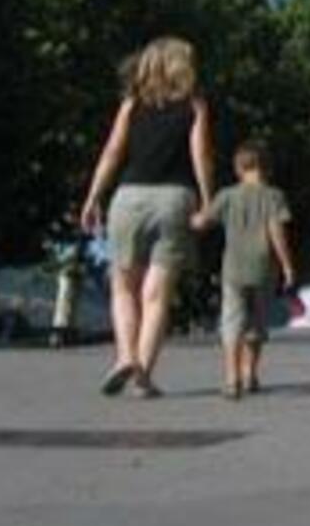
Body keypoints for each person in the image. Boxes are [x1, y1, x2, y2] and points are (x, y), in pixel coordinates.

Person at [79, 35, 214, 398]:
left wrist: (94, 196)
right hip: (174, 199)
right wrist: (207, 198)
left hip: (129, 197)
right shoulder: (194, 105)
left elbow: (111, 152)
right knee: (156, 294)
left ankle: (125, 355)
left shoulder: (131, 104)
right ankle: (143, 373)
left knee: (123, 286)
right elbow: (200, 154)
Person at [194, 141, 297, 400]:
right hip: (264, 269)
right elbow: (277, 232)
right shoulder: (274, 196)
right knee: (257, 323)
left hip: (233, 268)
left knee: (232, 322)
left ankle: (231, 377)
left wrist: (192, 218)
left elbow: (204, 221)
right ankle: (250, 372)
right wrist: (287, 265)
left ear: (239, 168)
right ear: (267, 168)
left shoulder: (227, 195)